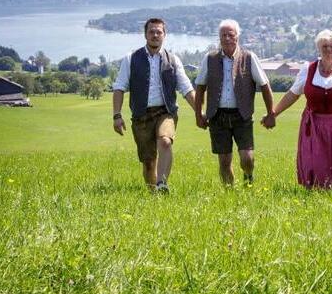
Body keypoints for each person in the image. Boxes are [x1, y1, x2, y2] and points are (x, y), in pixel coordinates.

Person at [263, 30, 332, 189]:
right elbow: (293, 94)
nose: (329, 50)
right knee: (316, 161)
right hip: (314, 125)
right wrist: (274, 113)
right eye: (325, 46)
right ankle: (315, 193)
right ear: (319, 48)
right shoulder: (308, 69)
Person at [112, 18, 196, 193]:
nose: (155, 35)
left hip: (166, 111)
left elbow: (186, 88)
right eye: (151, 32)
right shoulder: (131, 59)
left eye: (159, 32)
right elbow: (119, 87)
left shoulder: (173, 60)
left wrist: (200, 112)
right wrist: (117, 115)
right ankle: (153, 195)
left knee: (165, 141)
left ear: (164, 35)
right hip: (141, 115)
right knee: (149, 163)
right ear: (145, 35)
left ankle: (162, 184)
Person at [194, 19, 274, 186]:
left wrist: (270, 113)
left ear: (237, 36)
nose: (227, 38)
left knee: (247, 158)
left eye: (231, 34)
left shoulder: (249, 58)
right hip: (217, 116)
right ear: (219, 38)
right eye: (223, 35)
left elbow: (265, 86)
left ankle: (248, 177)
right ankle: (229, 194)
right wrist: (198, 115)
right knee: (224, 161)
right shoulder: (209, 58)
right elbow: (200, 87)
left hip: (242, 115)